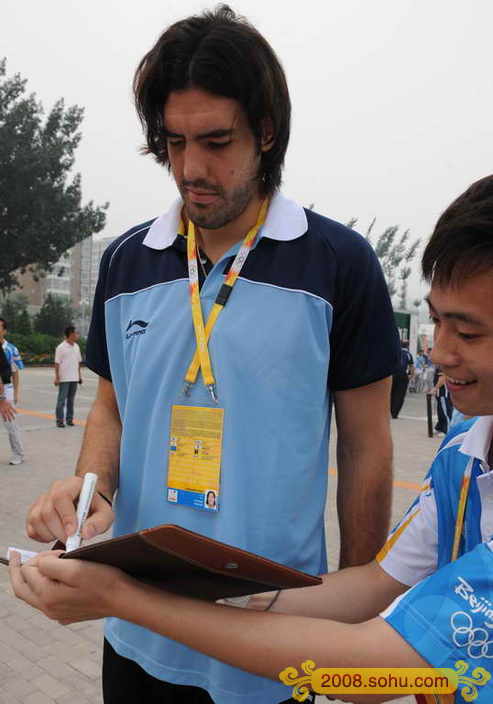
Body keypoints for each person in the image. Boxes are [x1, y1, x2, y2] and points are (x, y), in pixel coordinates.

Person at [18, 6, 399, 704]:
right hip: (136, 631)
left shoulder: (338, 265)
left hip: (277, 633)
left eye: (217, 141)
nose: (192, 168)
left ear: (266, 132)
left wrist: (356, 616)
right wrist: (90, 492)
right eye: (173, 142)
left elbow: (368, 447)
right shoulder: (130, 261)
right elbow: (111, 406)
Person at [11, 175, 493, 704]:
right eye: (439, 322)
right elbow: (369, 588)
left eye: (467, 332)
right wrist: (191, 597)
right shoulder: (464, 453)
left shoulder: (337, 262)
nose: (440, 352)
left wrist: (125, 598)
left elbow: (373, 678)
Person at [0, 318, 25, 464]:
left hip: (6, 389)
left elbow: (15, 372)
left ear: (4, 330)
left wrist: (15, 392)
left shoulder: (11, 349)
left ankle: (18, 454)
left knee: (10, 423)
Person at [54, 326, 82, 428]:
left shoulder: (76, 347)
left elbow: (78, 362)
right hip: (64, 378)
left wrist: (79, 376)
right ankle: (59, 420)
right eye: (76, 333)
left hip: (74, 378)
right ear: (70, 334)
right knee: (61, 400)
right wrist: (57, 377)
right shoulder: (60, 347)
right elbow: (57, 363)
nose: (77, 335)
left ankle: (69, 419)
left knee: (71, 400)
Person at [390, 340, 414, 418]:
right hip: (402, 375)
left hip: (393, 374)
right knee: (400, 394)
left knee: (391, 392)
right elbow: (411, 366)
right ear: (407, 346)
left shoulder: (395, 352)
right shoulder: (408, 354)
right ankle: (395, 413)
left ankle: (389, 411)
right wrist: (411, 375)